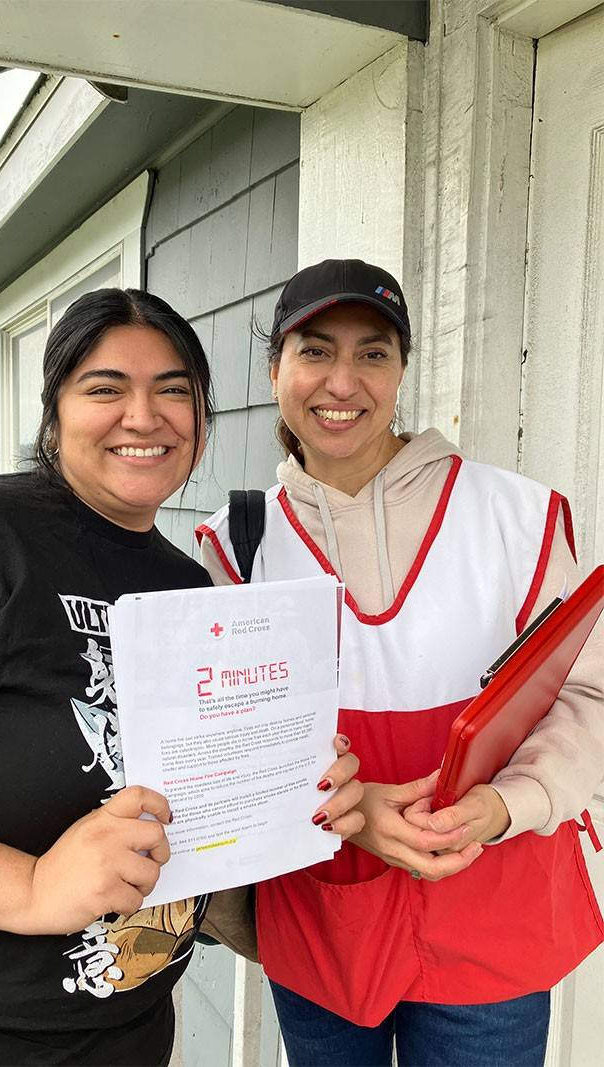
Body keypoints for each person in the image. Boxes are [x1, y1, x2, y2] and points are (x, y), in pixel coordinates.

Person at [0, 286, 362, 1067]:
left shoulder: (187, 587)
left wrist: (293, 778)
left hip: (122, 1037)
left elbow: (196, 795)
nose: (145, 416)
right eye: (105, 388)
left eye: (174, 390)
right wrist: (32, 887)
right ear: (54, 410)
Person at [198, 260, 604, 1066]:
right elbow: (224, 750)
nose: (342, 381)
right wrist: (348, 810)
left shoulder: (518, 516)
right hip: (324, 917)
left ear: (402, 370)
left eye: (373, 353)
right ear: (276, 369)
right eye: (315, 351)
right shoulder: (234, 547)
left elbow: (589, 692)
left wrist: (505, 803)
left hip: (495, 912)